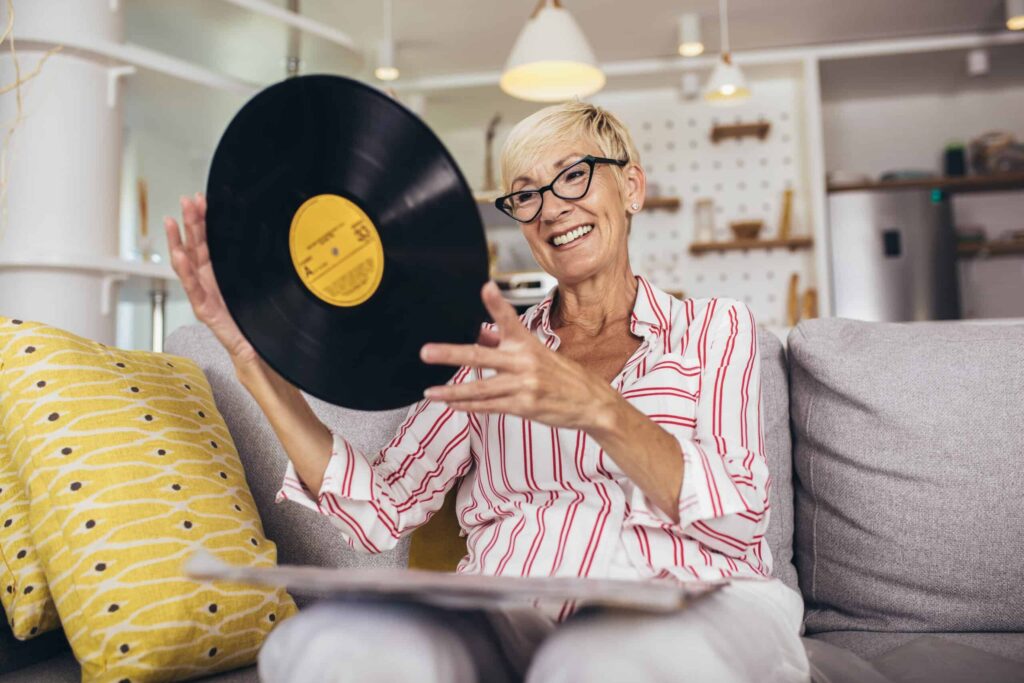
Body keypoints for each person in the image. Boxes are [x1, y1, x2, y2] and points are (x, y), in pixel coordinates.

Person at [165, 101, 811, 683]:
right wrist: (249, 358)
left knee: (596, 661)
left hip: (697, 600)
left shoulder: (714, 328)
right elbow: (380, 508)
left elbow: (739, 517)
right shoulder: (484, 353)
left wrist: (598, 408)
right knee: (325, 645)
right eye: (524, 194)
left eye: (574, 174)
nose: (552, 206)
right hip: (517, 610)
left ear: (632, 187)